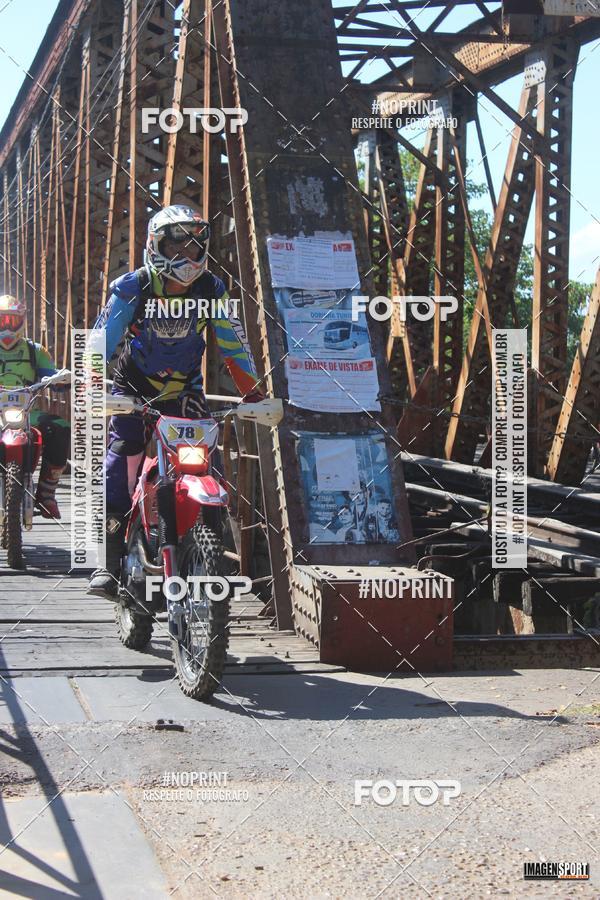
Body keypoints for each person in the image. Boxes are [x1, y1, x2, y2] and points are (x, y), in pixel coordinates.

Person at [88, 204, 264, 599]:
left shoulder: (210, 290)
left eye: (195, 248)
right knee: (124, 452)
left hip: (184, 391)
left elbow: (233, 344)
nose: (187, 257)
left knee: (208, 463)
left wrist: (254, 393)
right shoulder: (134, 286)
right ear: (156, 246)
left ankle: (206, 554)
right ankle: (109, 559)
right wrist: (92, 382)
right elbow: (99, 342)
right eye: (176, 248)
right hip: (133, 388)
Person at [0, 295, 69, 519]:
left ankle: (47, 493)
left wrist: (62, 379)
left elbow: (51, 375)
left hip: (27, 412)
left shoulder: (35, 350)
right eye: (2, 321)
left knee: (60, 427)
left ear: (22, 321)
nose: (8, 327)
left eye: (12, 321)